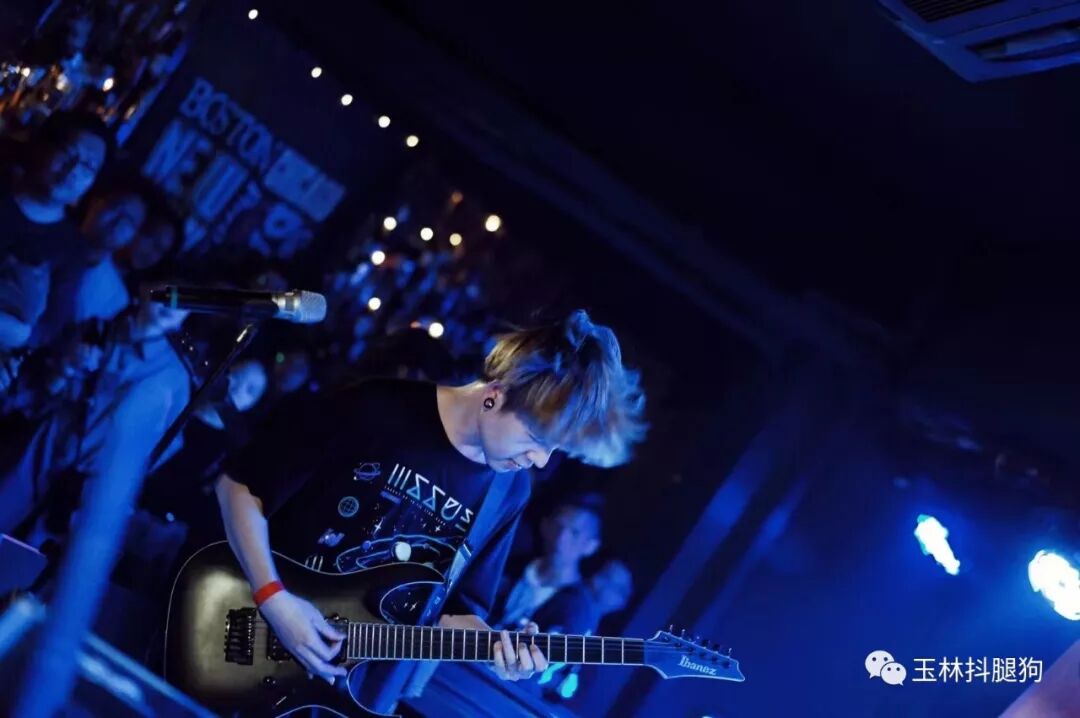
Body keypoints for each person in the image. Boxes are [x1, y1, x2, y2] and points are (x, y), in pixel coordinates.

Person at [213, 309, 647, 713]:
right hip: (244, 632)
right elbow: (239, 486)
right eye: (536, 438)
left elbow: (456, 608)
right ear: (495, 395)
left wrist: (500, 651)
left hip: (343, 691)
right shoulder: (377, 408)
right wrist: (274, 599)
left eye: (554, 449)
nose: (539, 461)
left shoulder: (509, 491)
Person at [494, 496, 604, 635]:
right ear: (544, 525)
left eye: (575, 533)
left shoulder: (579, 608)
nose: (561, 537)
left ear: (591, 546)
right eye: (558, 526)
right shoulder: (507, 564)